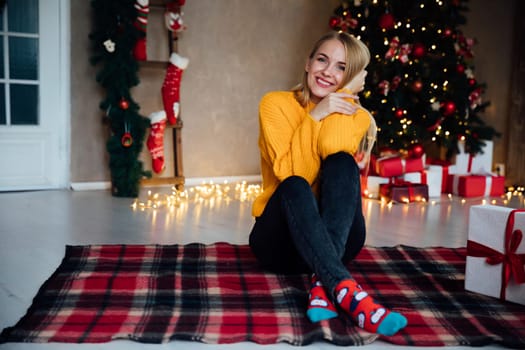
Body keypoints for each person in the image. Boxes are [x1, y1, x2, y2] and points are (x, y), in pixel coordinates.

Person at [249, 31, 407, 336]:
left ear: (349, 78)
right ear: (308, 63)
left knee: (342, 162)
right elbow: (294, 174)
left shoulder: (357, 116)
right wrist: (317, 114)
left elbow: (331, 147)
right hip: (279, 240)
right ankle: (348, 293)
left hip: (337, 239)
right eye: (322, 60)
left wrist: (341, 102)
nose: (327, 71)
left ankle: (326, 284)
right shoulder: (275, 104)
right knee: (294, 184)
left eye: (340, 68)